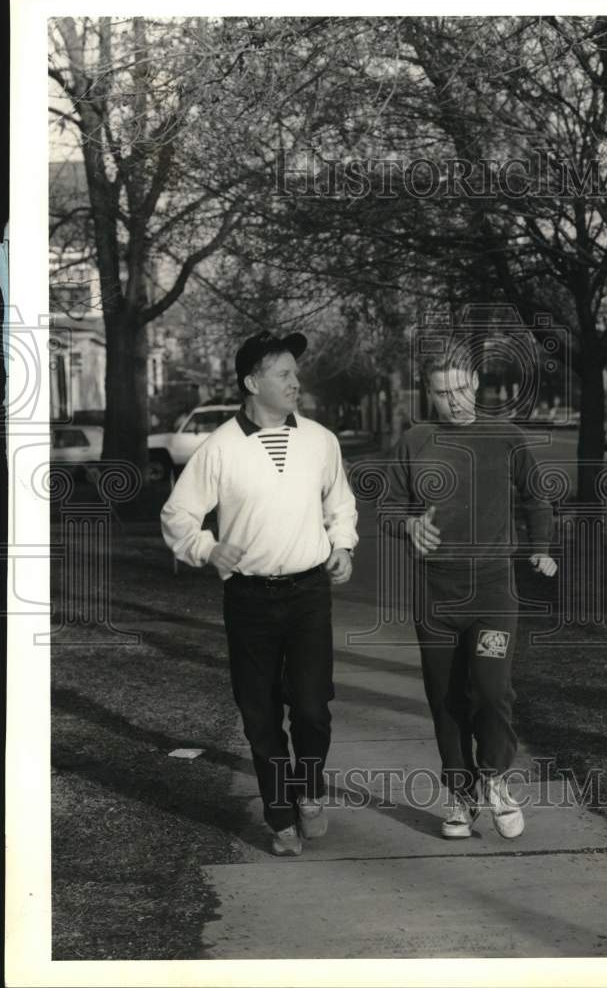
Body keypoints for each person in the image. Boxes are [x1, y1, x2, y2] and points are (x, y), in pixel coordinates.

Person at [161, 330, 358, 857]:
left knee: (312, 709)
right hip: (249, 599)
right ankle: (280, 816)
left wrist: (342, 544)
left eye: (296, 373)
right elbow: (178, 515)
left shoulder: (320, 440)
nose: (296, 382)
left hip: (309, 592)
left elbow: (340, 502)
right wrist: (207, 548)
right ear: (252, 383)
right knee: (261, 715)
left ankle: (309, 789)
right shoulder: (220, 448)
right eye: (284, 374)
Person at [383, 340, 557, 840]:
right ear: (428, 393)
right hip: (435, 596)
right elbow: (389, 507)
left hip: (492, 593)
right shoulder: (415, 442)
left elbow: (536, 495)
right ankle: (461, 797)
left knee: (491, 689)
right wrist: (408, 525)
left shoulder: (506, 437)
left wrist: (540, 546)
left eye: (461, 389)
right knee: (445, 699)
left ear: (476, 383)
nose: (454, 401)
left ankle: (495, 777)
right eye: (442, 393)